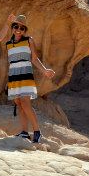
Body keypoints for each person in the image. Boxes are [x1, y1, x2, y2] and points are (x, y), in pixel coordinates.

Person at [5, 14, 54, 143]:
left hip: (25, 73)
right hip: (14, 76)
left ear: (25, 30)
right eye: (16, 26)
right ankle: (24, 132)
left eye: (22, 28)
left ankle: (37, 131)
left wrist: (44, 70)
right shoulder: (8, 44)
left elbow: (34, 59)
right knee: (19, 104)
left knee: (25, 103)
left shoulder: (28, 40)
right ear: (12, 27)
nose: (18, 30)